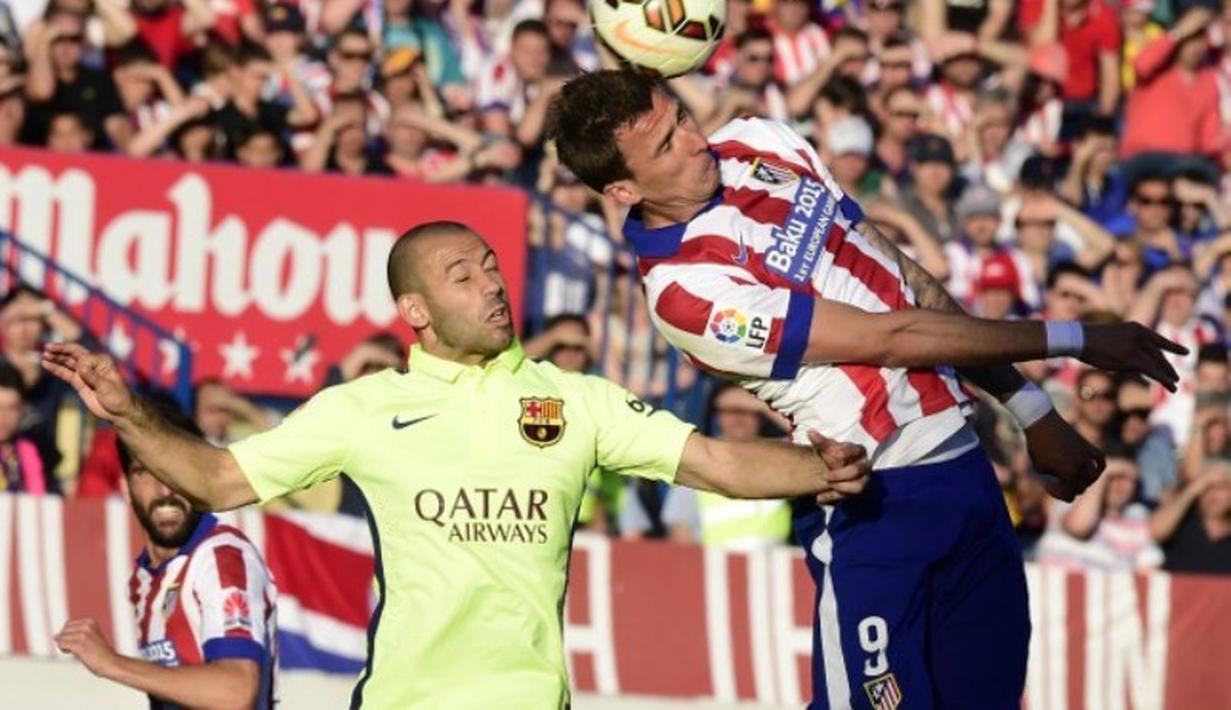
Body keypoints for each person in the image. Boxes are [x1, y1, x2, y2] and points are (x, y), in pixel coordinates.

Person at [548, 69, 1185, 708]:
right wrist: (1077, 339)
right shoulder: (685, 290)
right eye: (664, 146)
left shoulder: (759, 141)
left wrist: (1029, 407)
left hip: (965, 476)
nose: (694, 142)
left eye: (681, 117)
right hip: (874, 503)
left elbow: (903, 279)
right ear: (624, 188)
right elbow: (893, 336)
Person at [43, 220, 873, 708]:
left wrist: (822, 467)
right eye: (460, 273)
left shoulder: (574, 397)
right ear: (415, 312)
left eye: (490, 265)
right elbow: (221, 481)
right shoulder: (363, 407)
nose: (490, 282)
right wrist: (126, 413)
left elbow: (720, 464)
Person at [55, 401, 278, 709]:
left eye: (176, 470)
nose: (164, 490)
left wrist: (112, 664)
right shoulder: (143, 580)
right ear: (125, 486)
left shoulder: (221, 557)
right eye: (145, 471)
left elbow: (235, 691)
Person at [0, 363, 48, 494]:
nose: (3, 417)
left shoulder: (27, 450)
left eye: (11, 408)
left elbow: (37, 497)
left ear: (22, 409)